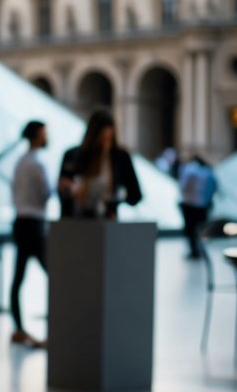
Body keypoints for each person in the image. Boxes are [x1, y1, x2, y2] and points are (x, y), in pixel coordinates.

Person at [8, 121, 50, 348]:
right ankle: (54, 325)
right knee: (53, 274)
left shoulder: (19, 163)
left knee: (18, 278)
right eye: (44, 134)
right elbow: (46, 193)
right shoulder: (37, 165)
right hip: (34, 223)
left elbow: (13, 192)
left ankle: (18, 327)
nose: (46, 137)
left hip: (20, 221)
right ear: (36, 136)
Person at [57, 109, 142, 219]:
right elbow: (63, 188)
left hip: (106, 219)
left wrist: (116, 199)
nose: (105, 144)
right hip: (77, 218)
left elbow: (135, 194)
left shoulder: (119, 157)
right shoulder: (73, 156)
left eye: (109, 139)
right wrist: (72, 190)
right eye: (103, 138)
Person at [178, 154, 218, 259]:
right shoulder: (208, 172)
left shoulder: (189, 171)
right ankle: (200, 249)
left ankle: (194, 250)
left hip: (190, 205)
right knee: (200, 229)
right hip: (203, 205)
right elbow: (214, 187)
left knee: (190, 229)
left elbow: (183, 187)